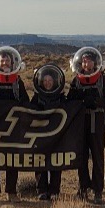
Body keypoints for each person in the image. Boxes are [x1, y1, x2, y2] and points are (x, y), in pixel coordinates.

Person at [66, 46, 105, 202]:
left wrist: (95, 102)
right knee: (81, 156)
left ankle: (98, 190)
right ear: (81, 62)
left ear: (95, 63)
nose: (87, 64)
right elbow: (70, 101)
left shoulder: (102, 79)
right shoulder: (77, 80)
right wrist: (79, 101)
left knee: (98, 156)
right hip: (81, 123)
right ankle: (83, 188)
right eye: (85, 61)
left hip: (97, 121)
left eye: (90, 61)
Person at [0, 46, 29, 201]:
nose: (5, 63)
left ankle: (12, 192)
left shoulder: (18, 83)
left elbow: (25, 103)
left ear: (12, 61)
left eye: (7, 60)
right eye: (2, 60)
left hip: (14, 128)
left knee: (12, 160)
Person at [30, 62, 67, 201]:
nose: (47, 83)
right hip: (41, 135)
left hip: (57, 135)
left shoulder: (61, 97)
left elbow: (67, 111)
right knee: (40, 161)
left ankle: (54, 190)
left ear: (55, 81)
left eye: (50, 81)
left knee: (56, 161)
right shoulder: (37, 97)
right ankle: (41, 190)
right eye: (45, 81)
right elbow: (30, 112)